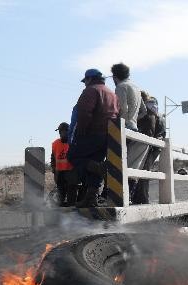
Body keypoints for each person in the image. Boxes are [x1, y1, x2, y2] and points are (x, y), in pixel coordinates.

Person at [67, 68, 119, 207]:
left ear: (90, 79)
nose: (84, 83)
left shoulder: (91, 90)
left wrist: (80, 132)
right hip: (108, 136)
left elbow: (84, 112)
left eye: (85, 80)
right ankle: (91, 198)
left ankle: (102, 169)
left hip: (92, 133)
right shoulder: (111, 93)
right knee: (94, 162)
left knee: (73, 156)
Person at [111, 62, 149, 199]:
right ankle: (128, 196)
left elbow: (121, 109)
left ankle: (111, 196)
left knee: (115, 164)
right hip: (134, 128)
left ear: (114, 77)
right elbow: (144, 112)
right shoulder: (137, 88)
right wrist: (133, 119)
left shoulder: (121, 87)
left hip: (122, 128)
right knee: (131, 164)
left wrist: (122, 120)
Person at [133, 95, 166, 204]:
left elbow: (149, 131)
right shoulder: (159, 116)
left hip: (148, 146)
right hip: (154, 147)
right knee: (144, 172)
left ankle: (141, 199)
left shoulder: (148, 114)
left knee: (142, 171)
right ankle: (141, 199)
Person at [50, 122, 78, 206]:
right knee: (61, 191)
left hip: (71, 171)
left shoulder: (73, 142)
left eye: (63, 131)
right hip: (59, 173)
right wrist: (53, 168)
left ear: (68, 131)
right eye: (60, 132)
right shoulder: (55, 144)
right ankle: (60, 207)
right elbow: (53, 158)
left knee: (71, 190)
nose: (61, 133)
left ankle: (71, 207)